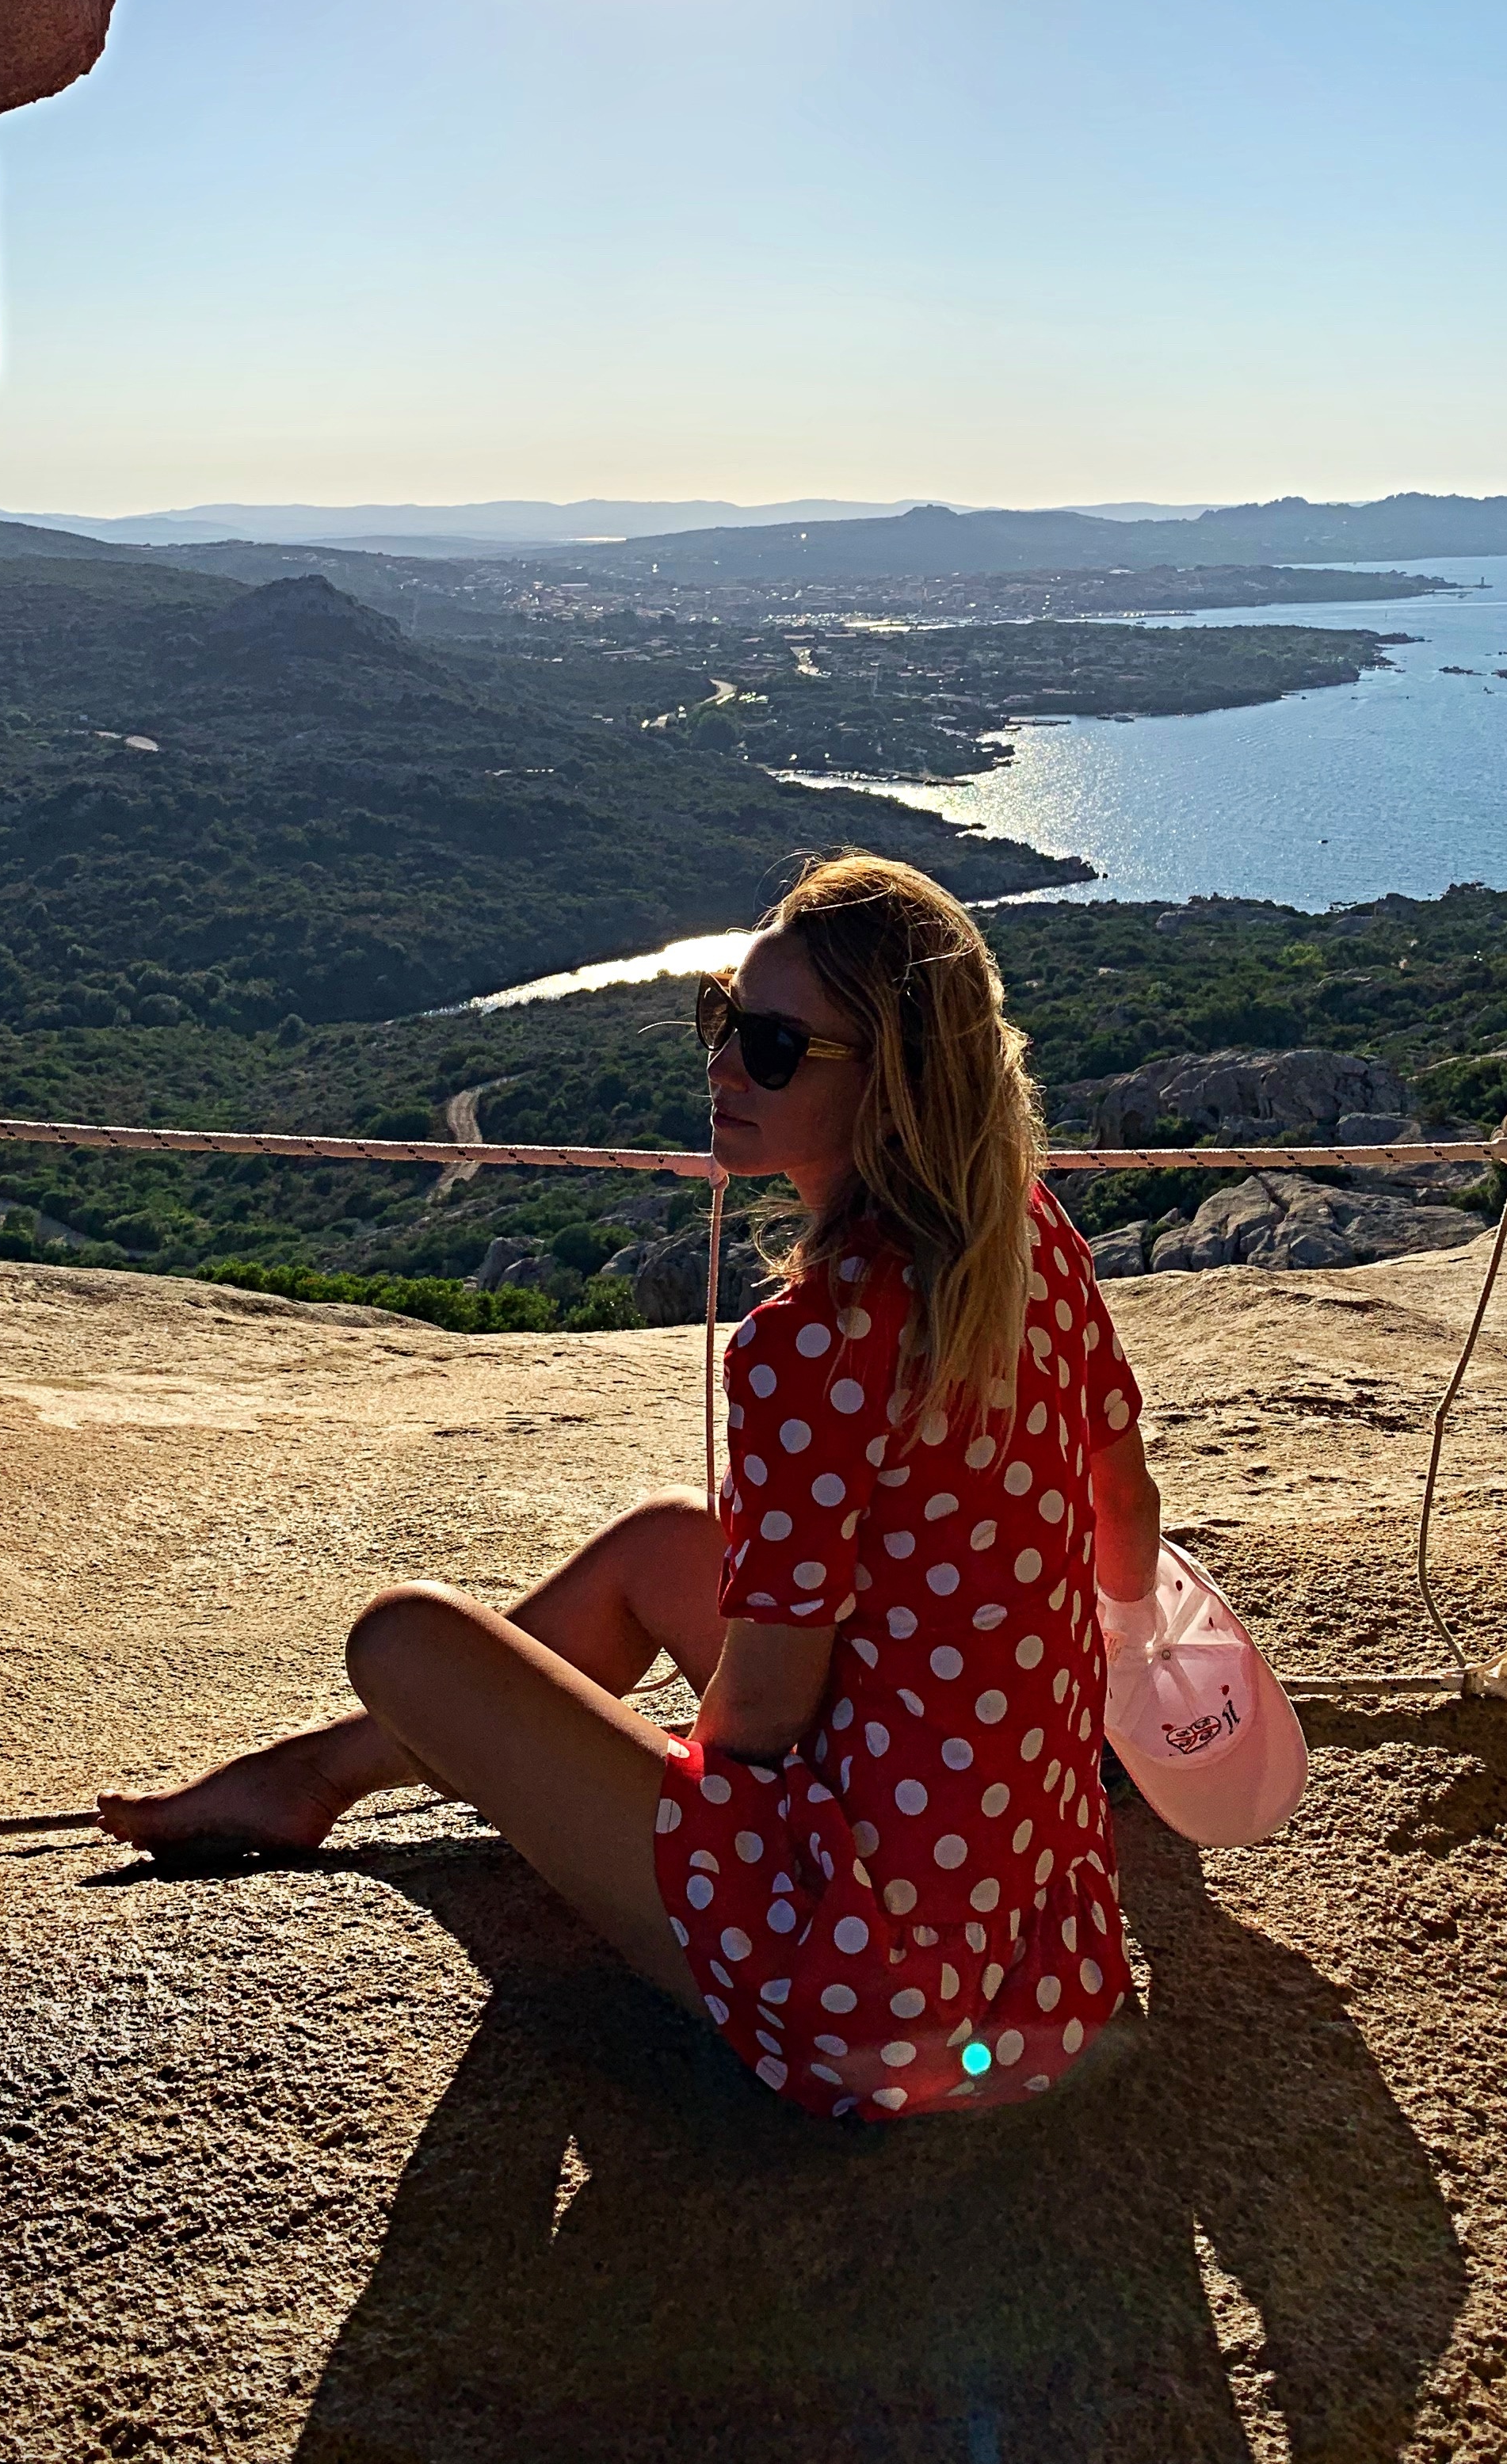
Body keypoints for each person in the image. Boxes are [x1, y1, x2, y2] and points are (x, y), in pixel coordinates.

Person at [97, 852, 1164, 2119]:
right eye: (723, 1017)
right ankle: (318, 1777)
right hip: (1035, 1954)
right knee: (666, 1542)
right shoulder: (1028, 1238)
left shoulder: (813, 1341)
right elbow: (1130, 1532)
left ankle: (326, 1773)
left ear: (894, 1086)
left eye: (773, 1047)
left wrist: (638, 1811)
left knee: (404, 1637)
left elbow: (764, 1708)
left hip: (865, 1998)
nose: (721, 1066)